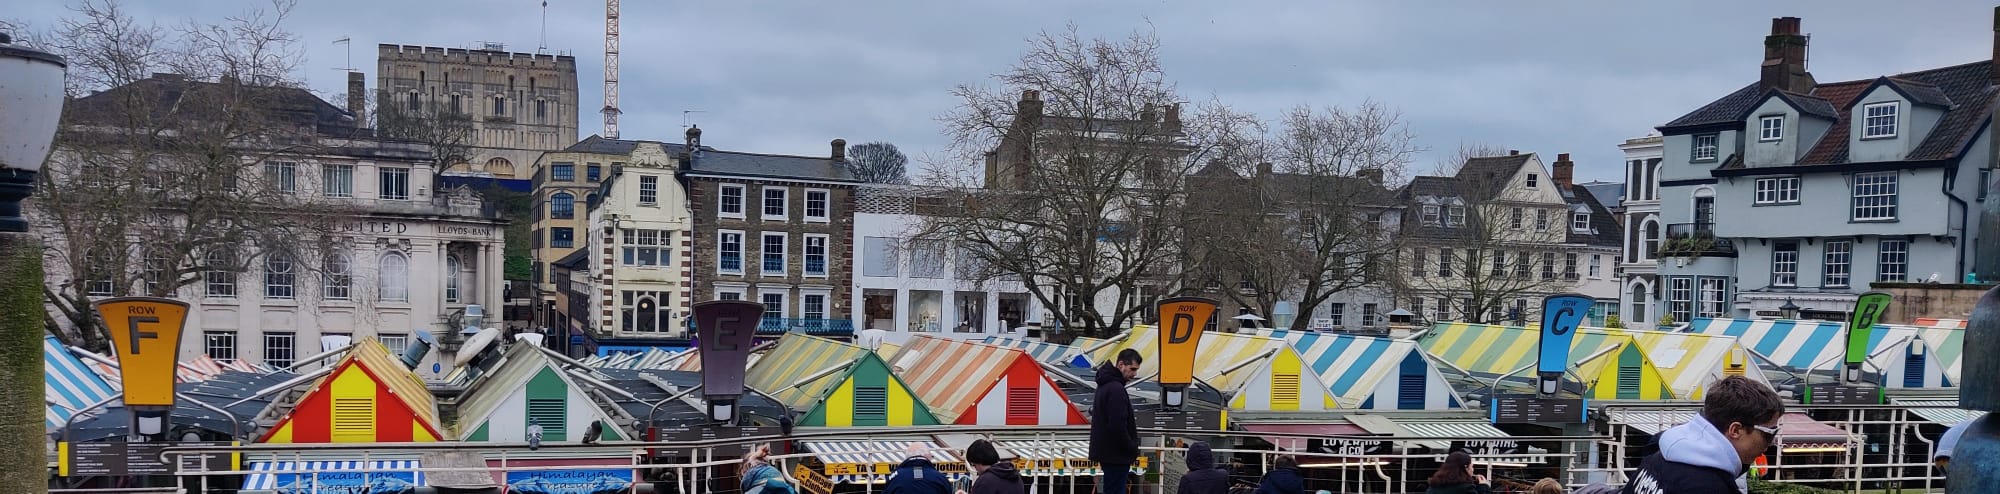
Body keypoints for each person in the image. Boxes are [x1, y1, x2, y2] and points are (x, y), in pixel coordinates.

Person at [1621, 375, 1784, 494]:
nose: (1771, 443)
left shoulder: (1660, 454)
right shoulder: (1709, 486)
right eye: (1770, 433)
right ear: (1735, 430)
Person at [1090, 349, 1143, 494]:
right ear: (1121, 365)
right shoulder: (1116, 389)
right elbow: (1117, 425)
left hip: (1108, 452)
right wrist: (1131, 446)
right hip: (1117, 454)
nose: (1134, 374)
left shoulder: (1105, 385)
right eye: (1132, 369)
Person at [960, 439, 1025, 494]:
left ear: (978, 461)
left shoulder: (984, 481)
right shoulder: (1015, 475)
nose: (975, 469)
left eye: (973, 465)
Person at [885, 443, 952, 494]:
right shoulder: (940, 478)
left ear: (907, 457)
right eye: (931, 456)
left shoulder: (894, 478)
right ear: (927, 456)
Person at [1424, 451, 1491, 494]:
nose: (1473, 470)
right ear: (1466, 468)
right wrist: (1483, 487)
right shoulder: (1466, 488)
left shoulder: (1433, 486)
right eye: (1472, 466)